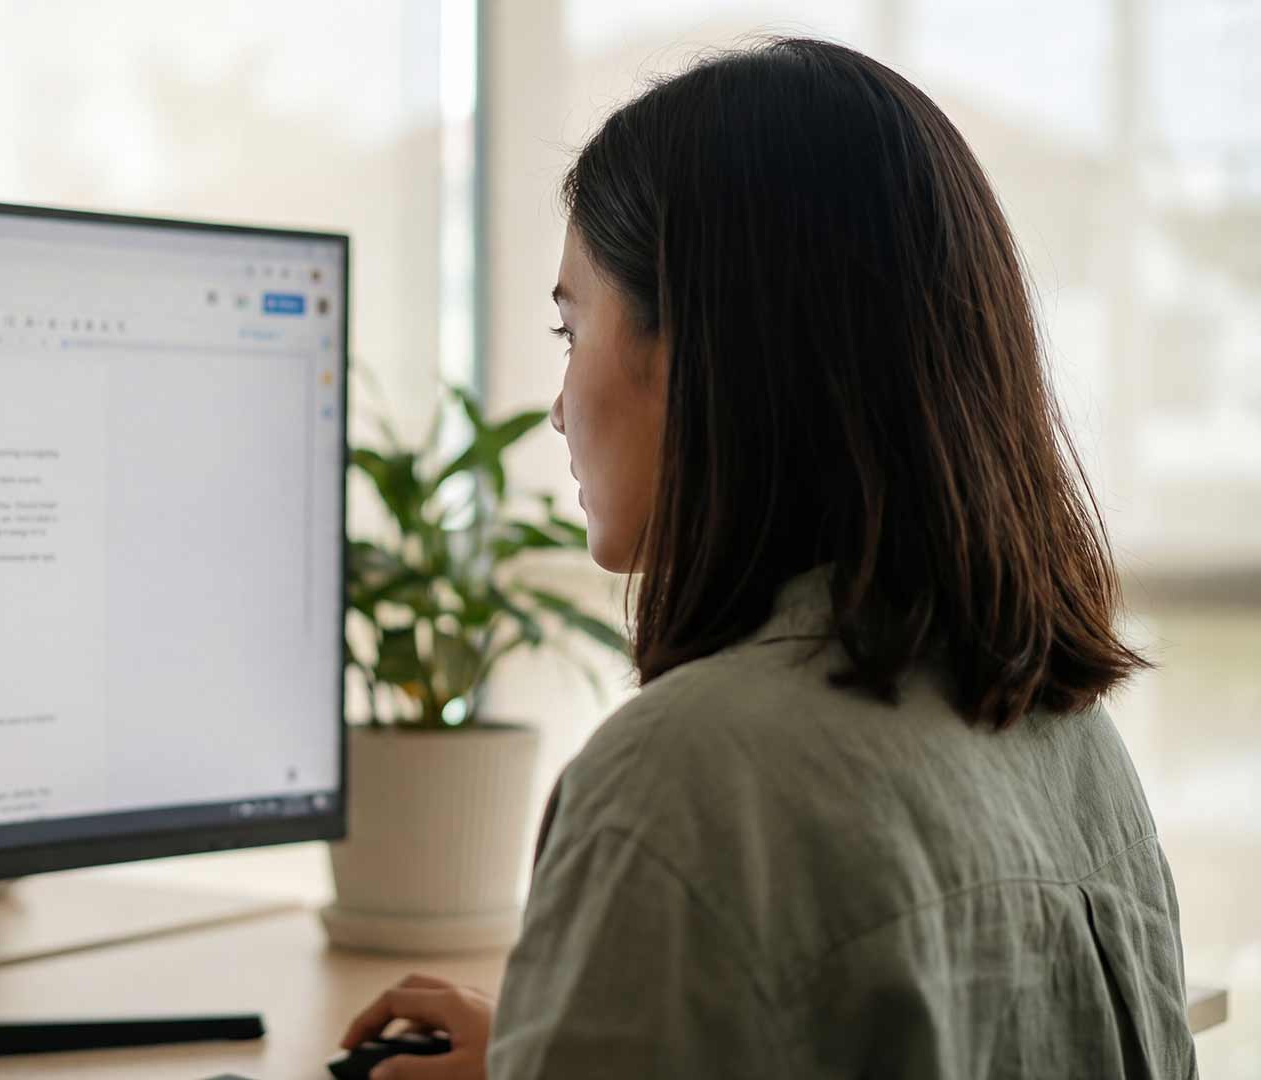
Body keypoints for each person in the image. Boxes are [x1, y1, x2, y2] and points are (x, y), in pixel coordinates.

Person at [337, 37, 1195, 1079]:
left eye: (573, 331)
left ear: (693, 346)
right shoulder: (1066, 739)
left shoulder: (687, 784)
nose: (560, 408)